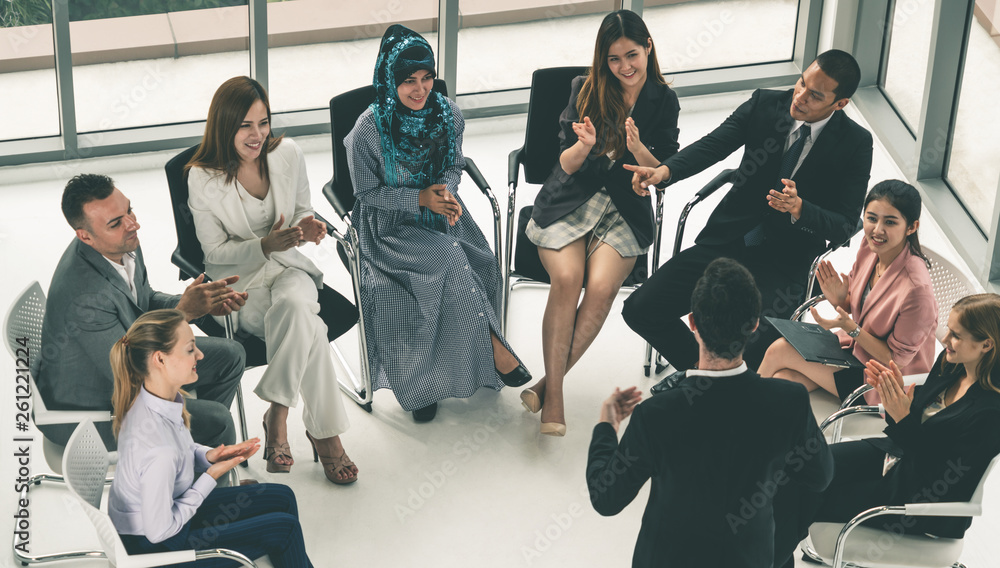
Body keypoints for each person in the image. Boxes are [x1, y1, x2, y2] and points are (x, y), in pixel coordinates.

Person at [622, 49, 874, 387]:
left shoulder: (856, 143)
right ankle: (702, 376)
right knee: (640, 308)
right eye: (801, 84)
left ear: (839, 103)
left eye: (815, 95)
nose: (799, 97)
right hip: (729, 239)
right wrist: (664, 170)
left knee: (757, 351)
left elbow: (844, 224)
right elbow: (713, 145)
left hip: (783, 263)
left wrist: (801, 209)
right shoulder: (765, 104)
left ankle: (711, 386)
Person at [587, 258, 833, 567]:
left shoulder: (656, 414)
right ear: (755, 324)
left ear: (692, 323)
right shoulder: (789, 400)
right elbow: (819, 477)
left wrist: (606, 426)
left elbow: (606, 499)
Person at [344, 24, 529, 423]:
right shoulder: (367, 130)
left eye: (427, 78)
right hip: (386, 227)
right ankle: (452, 372)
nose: (420, 89)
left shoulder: (448, 115)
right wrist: (418, 198)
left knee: (482, 266)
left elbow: (452, 165)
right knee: (447, 263)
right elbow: (365, 194)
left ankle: (450, 373)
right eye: (409, 81)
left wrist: (444, 192)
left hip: (440, 214)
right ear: (389, 79)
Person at [187, 76, 359, 484]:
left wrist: (308, 227)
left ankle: (277, 414)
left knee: (299, 304)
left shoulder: (287, 154)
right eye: (246, 125)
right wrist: (264, 246)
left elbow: (301, 210)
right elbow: (213, 255)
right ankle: (326, 437)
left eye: (263, 123)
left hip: (289, 269)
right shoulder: (203, 179)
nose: (257, 135)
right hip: (242, 285)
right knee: (310, 326)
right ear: (224, 126)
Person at [520, 9, 680, 437]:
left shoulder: (664, 99)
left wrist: (639, 150)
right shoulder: (585, 89)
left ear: (648, 47)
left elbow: (662, 169)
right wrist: (585, 145)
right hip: (572, 199)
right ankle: (555, 396)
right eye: (613, 59)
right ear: (602, 60)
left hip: (625, 209)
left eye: (632, 54)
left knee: (603, 287)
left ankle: (546, 385)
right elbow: (565, 163)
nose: (625, 67)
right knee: (568, 279)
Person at [773, 294, 1000, 568]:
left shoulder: (991, 414)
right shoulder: (951, 364)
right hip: (895, 454)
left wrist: (902, 417)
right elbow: (917, 415)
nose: (945, 339)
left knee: (807, 493)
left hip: (918, 496)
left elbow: (942, 476)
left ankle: (770, 561)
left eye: (956, 335)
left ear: (987, 344)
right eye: (949, 330)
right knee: (803, 468)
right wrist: (894, 394)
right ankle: (773, 560)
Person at [37, 174, 246, 450]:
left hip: (120, 369)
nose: (133, 224)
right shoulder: (84, 296)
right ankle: (203, 483)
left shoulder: (122, 242)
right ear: (85, 235)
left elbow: (142, 302)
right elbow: (131, 371)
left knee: (230, 356)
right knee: (217, 421)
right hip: (92, 409)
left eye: (129, 210)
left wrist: (196, 302)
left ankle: (190, 454)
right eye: (116, 222)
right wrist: (183, 314)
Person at [108, 309, 313, 566]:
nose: (201, 355)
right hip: (162, 549)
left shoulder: (152, 398)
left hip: (165, 513)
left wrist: (207, 455)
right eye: (190, 349)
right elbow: (159, 531)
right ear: (160, 359)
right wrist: (210, 477)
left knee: (283, 497)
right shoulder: (158, 448)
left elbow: (178, 446)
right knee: (286, 529)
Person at [759, 180, 937, 403]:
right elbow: (863, 308)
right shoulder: (870, 247)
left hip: (883, 382)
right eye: (872, 218)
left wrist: (851, 328)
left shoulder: (917, 291)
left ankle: (730, 420)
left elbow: (896, 360)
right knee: (782, 381)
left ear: (911, 227)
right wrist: (841, 301)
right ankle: (754, 428)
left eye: (890, 222)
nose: (877, 230)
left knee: (779, 350)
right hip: (853, 354)